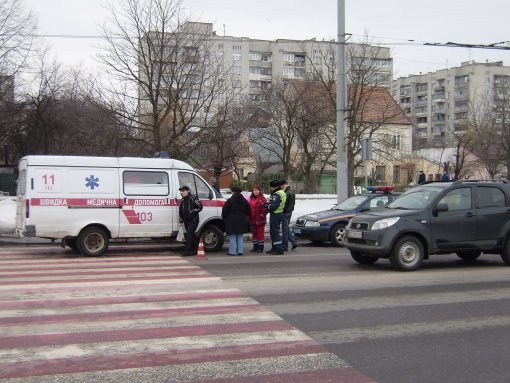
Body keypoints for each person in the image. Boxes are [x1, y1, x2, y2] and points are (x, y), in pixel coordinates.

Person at [222, 186, 251, 256]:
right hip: (242, 219)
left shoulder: (230, 200)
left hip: (232, 220)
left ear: (233, 192)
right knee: (240, 235)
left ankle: (232, 252)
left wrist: (224, 217)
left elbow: (224, 211)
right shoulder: (244, 200)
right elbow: (248, 210)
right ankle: (240, 251)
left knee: (232, 235)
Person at [178, 185, 203, 256]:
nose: (182, 192)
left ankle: (187, 251)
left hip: (193, 219)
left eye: (183, 191)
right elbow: (180, 210)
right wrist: (181, 219)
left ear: (188, 191)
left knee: (189, 234)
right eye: (181, 191)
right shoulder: (182, 200)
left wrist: (192, 211)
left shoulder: (193, 198)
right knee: (191, 235)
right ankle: (195, 249)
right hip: (186, 220)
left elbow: (200, 207)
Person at [265, 179, 286, 255]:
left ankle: (279, 249)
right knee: (273, 232)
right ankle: (274, 248)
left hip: (275, 214)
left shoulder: (276, 194)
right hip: (279, 213)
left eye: (271, 187)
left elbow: (273, 206)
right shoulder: (282, 192)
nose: (271, 189)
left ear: (273, 187)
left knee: (275, 232)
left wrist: (267, 205)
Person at [249, 185, 268, 253]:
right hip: (253, 219)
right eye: (254, 190)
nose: (255, 192)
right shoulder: (251, 198)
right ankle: (255, 247)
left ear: (259, 191)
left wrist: (262, 215)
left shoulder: (262, 198)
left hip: (260, 219)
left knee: (260, 234)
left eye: (257, 190)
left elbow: (266, 208)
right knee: (254, 234)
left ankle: (260, 248)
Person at [280, 180, 298, 251]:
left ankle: (285, 246)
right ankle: (294, 242)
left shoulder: (286, 193)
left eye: (281, 186)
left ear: (283, 185)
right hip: (290, 212)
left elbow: (283, 204)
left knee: (285, 230)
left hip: (285, 212)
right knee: (286, 228)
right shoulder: (291, 191)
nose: (280, 187)